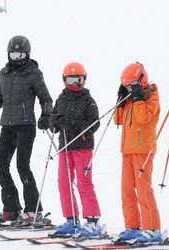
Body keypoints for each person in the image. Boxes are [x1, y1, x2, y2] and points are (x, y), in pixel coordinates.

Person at [0, 35, 53, 225]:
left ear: (27, 54)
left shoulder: (34, 73)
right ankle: (11, 208)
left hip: (26, 126)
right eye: (13, 54)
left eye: (20, 54)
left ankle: (33, 211)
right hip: (7, 127)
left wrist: (45, 116)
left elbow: (46, 99)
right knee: (1, 166)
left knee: (22, 167)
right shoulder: (4, 73)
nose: (16, 58)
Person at [49, 62, 104, 237]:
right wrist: (51, 122)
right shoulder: (61, 98)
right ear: (64, 80)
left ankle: (93, 221)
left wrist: (72, 124)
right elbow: (55, 118)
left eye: (78, 79)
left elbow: (94, 123)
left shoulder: (88, 100)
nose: (74, 84)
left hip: (83, 147)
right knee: (63, 182)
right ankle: (71, 219)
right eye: (71, 79)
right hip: (65, 147)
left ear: (84, 80)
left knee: (84, 182)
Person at [114, 62, 161, 243]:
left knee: (144, 190)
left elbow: (143, 118)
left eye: (130, 86)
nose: (128, 89)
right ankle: (133, 226)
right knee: (126, 190)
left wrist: (138, 98)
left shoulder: (151, 96)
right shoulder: (130, 99)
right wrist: (120, 102)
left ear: (141, 81)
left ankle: (152, 228)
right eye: (125, 87)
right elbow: (118, 121)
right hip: (127, 150)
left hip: (143, 151)